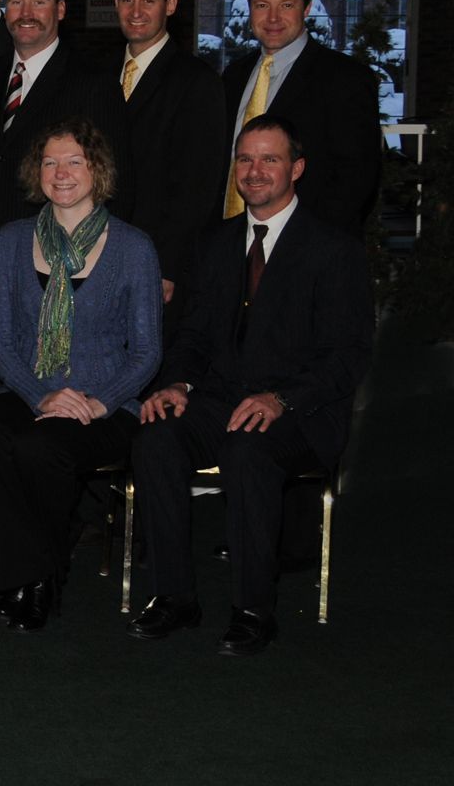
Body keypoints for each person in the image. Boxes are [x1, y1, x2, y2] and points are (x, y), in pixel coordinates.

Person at [130, 116, 373, 655]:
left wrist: (281, 399)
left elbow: (347, 356)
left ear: (297, 169)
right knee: (155, 437)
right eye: (245, 159)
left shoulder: (334, 250)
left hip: (300, 410)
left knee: (248, 452)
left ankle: (253, 609)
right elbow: (192, 334)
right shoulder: (215, 242)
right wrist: (176, 384)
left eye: (270, 159)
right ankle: (173, 596)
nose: (255, 171)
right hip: (218, 397)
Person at [0, 119, 162, 631]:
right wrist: (41, 396)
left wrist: (98, 402)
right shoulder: (11, 240)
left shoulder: (134, 247)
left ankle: (40, 578)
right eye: (50, 162)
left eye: (74, 160)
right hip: (31, 389)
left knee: (39, 447)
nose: (61, 172)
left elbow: (147, 353)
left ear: (97, 169)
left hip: (108, 402)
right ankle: (27, 573)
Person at [219, 0, 380, 236]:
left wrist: (306, 246)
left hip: (307, 249)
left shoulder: (346, 79)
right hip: (232, 244)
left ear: (306, 8)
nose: (272, 18)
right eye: (262, 5)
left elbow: (356, 179)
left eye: (286, 5)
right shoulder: (233, 76)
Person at [0, 0, 132, 234]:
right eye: (16, 2)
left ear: (60, 9)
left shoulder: (93, 83)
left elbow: (116, 181)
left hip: (57, 251)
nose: (26, 14)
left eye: (39, 2)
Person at [114, 0, 227, 315]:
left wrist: (168, 266)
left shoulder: (196, 81)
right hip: (100, 252)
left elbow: (198, 184)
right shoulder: (100, 75)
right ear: (116, 3)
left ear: (171, 5)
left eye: (148, 0)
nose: (136, 11)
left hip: (156, 261)